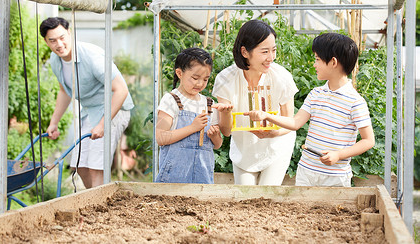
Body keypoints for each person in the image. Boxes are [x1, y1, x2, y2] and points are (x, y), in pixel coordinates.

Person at [245, 33, 375, 187]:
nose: (314, 64)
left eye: (317, 59)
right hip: (306, 172)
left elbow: (368, 140)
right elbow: (295, 122)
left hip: (335, 177)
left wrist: (339, 155)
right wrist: (266, 116)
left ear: (333, 62)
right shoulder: (316, 94)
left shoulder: (355, 102)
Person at [40, 17, 134, 189]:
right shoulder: (56, 61)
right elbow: (64, 91)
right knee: (79, 165)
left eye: (62, 37)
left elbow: (121, 90)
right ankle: (96, 202)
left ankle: (100, 207)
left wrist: (102, 124)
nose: (59, 44)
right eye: (52, 40)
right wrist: (54, 122)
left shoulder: (91, 56)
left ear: (69, 33)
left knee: (96, 166)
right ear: (46, 42)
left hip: (114, 108)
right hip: (90, 111)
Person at [212, 20, 298, 186]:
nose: (271, 58)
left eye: (273, 50)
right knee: (245, 197)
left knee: (266, 195)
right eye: (265, 51)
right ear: (245, 52)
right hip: (244, 151)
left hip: (277, 146)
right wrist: (226, 113)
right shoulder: (225, 79)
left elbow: (290, 121)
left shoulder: (281, 76)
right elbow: (227, 131)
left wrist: (273, 133)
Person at [155, 47, 223, 184]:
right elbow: (160, 137)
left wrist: (214, 136)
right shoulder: (171, 100)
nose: (200, 84)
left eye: (205, 79)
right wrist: (193, 128)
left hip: (202, 179)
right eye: (195, 78)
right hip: (173, 180)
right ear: (179, 73)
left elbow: (218, 144)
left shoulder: (209, 104)